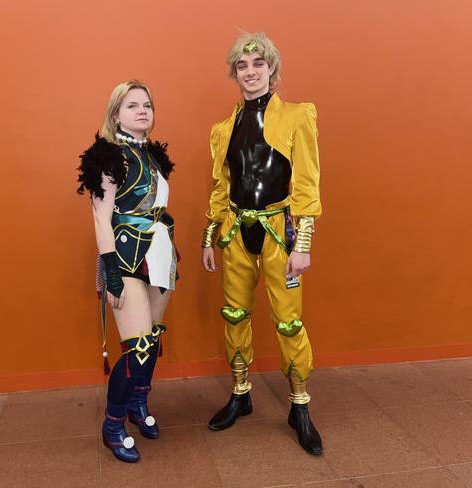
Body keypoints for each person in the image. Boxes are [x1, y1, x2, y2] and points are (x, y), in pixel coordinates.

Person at [201, 32, 324, 455]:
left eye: (258, 64)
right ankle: (241, 392)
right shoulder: (222, 129)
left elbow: (306, 183)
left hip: (278, 232)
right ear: (235, 72)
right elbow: (221, 186)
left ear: (271, 68)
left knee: (289, 321)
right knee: (234, 314)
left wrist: (303, 242)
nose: (250, 72)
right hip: (236, 231)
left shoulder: (297, 115)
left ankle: (300, 404)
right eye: (242, 65)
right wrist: (208, 236)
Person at [77, 80, 177, 463]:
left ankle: (138, 403)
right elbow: (101, 218)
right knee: (138, 346)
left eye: (147, 104)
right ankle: (113, 424)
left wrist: (169, 247)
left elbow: (155, 208)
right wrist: (111, 271)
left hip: (161, 254)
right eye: (132, 105)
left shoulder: (152, 155)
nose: (142, 110)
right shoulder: (107, 156)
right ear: (116, 113)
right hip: (125, 255)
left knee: (152, 337)